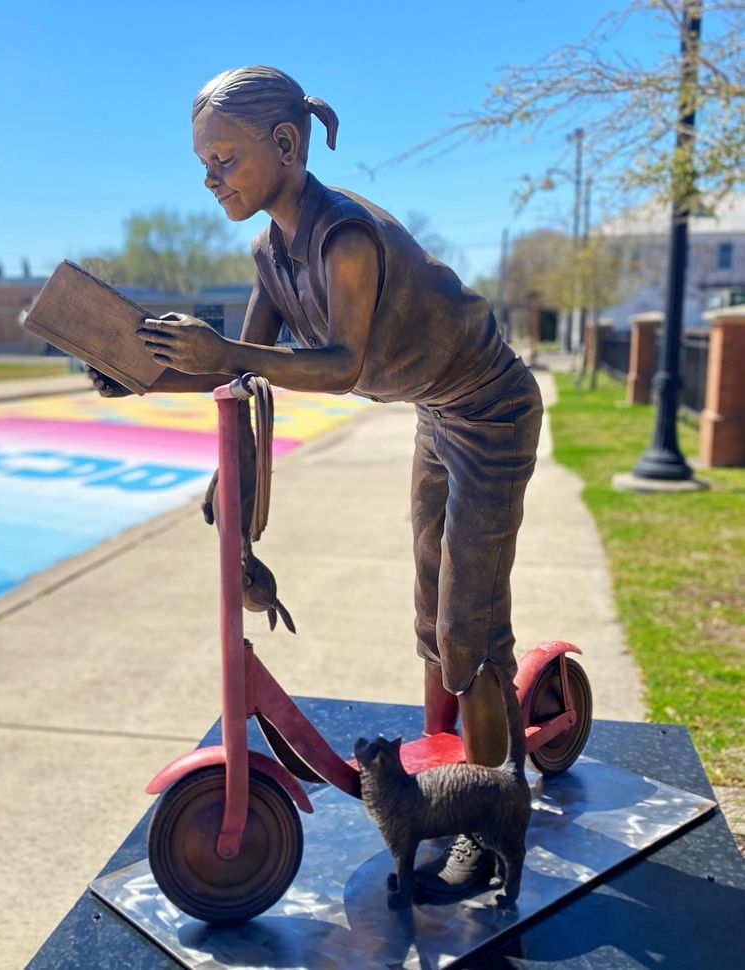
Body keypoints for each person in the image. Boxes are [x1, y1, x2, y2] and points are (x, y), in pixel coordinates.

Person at [86, 65, 542, 901]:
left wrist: (227, 354)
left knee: (467, 631)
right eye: (204, 160)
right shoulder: (271, 250)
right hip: (440, 413)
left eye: (224, 156)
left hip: (491, 409)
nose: (209, 175)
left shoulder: (344, 239)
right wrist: (139, 368)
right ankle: (453, 755)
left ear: (286, 145)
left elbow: (338, 367)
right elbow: (243, 371)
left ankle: (483, 813)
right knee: (432, 612)